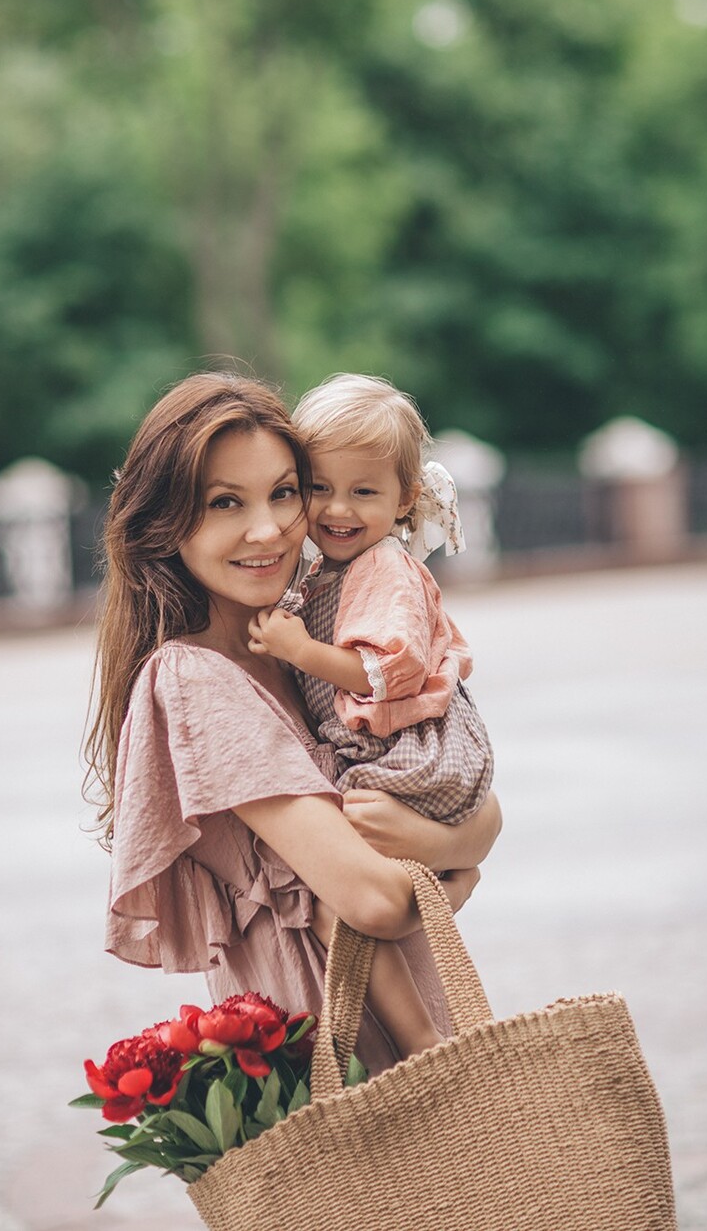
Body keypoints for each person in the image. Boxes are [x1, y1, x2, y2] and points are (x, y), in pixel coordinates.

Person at [84, 372, 502, 1076]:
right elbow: (374, 898)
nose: (269, 528)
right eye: (225, 502)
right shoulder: (193, 679)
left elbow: (466, 795)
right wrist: (460, 872)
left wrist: (462, 835)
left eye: (284, 491)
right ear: (167, 524)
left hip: (424, 1025)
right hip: (339, 1061)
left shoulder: (311, 643)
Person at [246, 372, 494, 1057]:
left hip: (408, 752)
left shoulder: (384, 567)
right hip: (385, 750)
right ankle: (450, 879)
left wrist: (297, 648)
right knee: (341, 888)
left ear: (404, 499)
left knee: (335, 901)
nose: (337, 509)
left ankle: (422, 1040)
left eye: (364, 491)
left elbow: (383, 673)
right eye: (320, 487)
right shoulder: (328, 567)